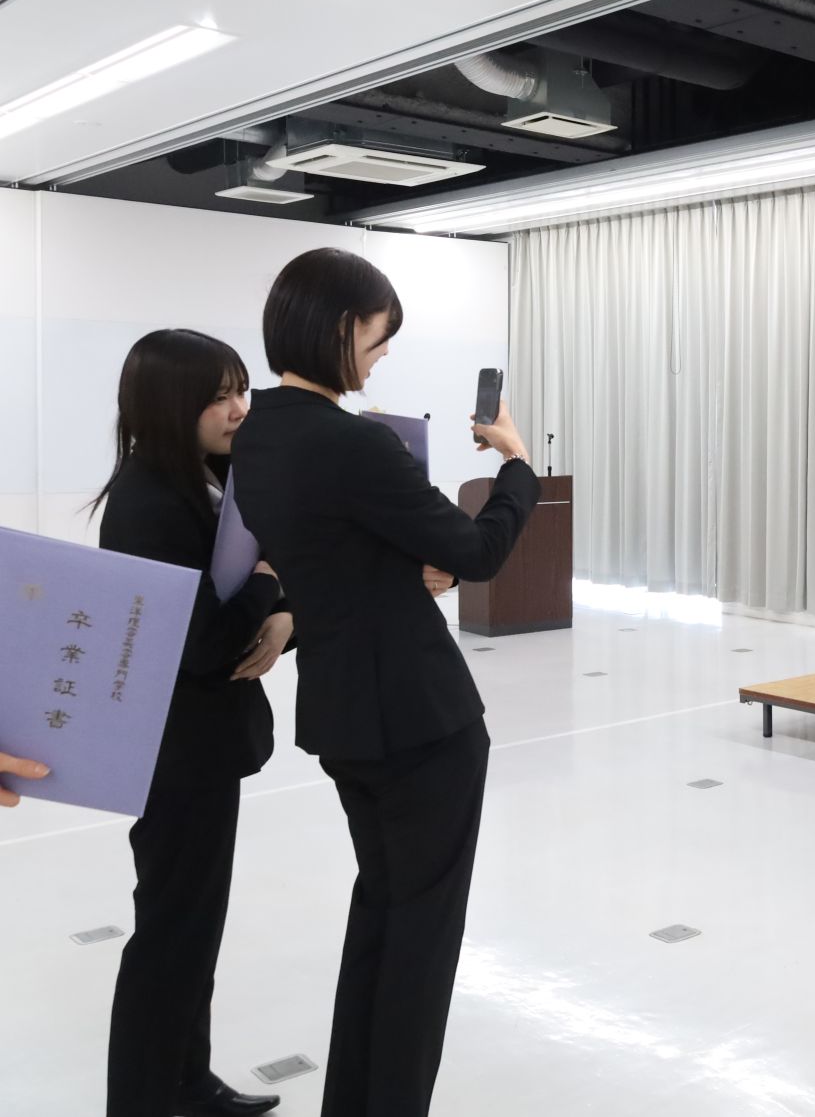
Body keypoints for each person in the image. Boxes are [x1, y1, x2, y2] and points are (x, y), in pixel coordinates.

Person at [230, 249, 540, 1117]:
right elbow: (477, 549)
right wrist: (516, 464)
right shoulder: (356, 441)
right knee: (422, 940)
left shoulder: (258, 436)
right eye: (378, 334)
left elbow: (332, 551)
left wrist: (410, 566)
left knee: (381, 913)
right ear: (339, 329)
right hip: (422, 723)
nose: (384, 351)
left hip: (343, 717)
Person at [91, 331, 293, 1117]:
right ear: (170, 404)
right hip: (174, 754)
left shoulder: (204, 479)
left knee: (194, 928)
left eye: (241, 390)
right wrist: (269, 583)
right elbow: (202, 641)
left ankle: (187, 1081)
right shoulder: (147, 501)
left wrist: (282, 614)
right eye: (219, 396)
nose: (239, 409)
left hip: (203, 746)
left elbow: (247, 608)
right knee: (170, 934)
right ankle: (143, 1099)